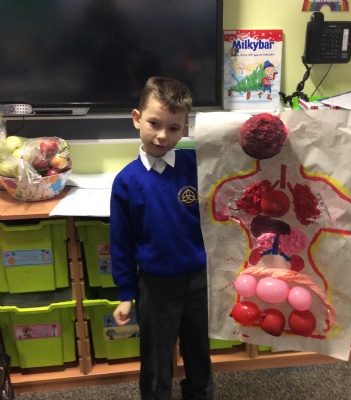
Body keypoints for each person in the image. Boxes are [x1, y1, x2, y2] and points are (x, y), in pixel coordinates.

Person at [110, 76, 214, 400]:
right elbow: (121, 242)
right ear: (137, 118)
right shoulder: (126, 181)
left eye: (173, 128)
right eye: (154, 123)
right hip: (155, 285)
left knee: (199, 349)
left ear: (184, 130)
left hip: (198, 279)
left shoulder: (196, 164)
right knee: (156, 357)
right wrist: (125, 293)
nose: (162, 135)